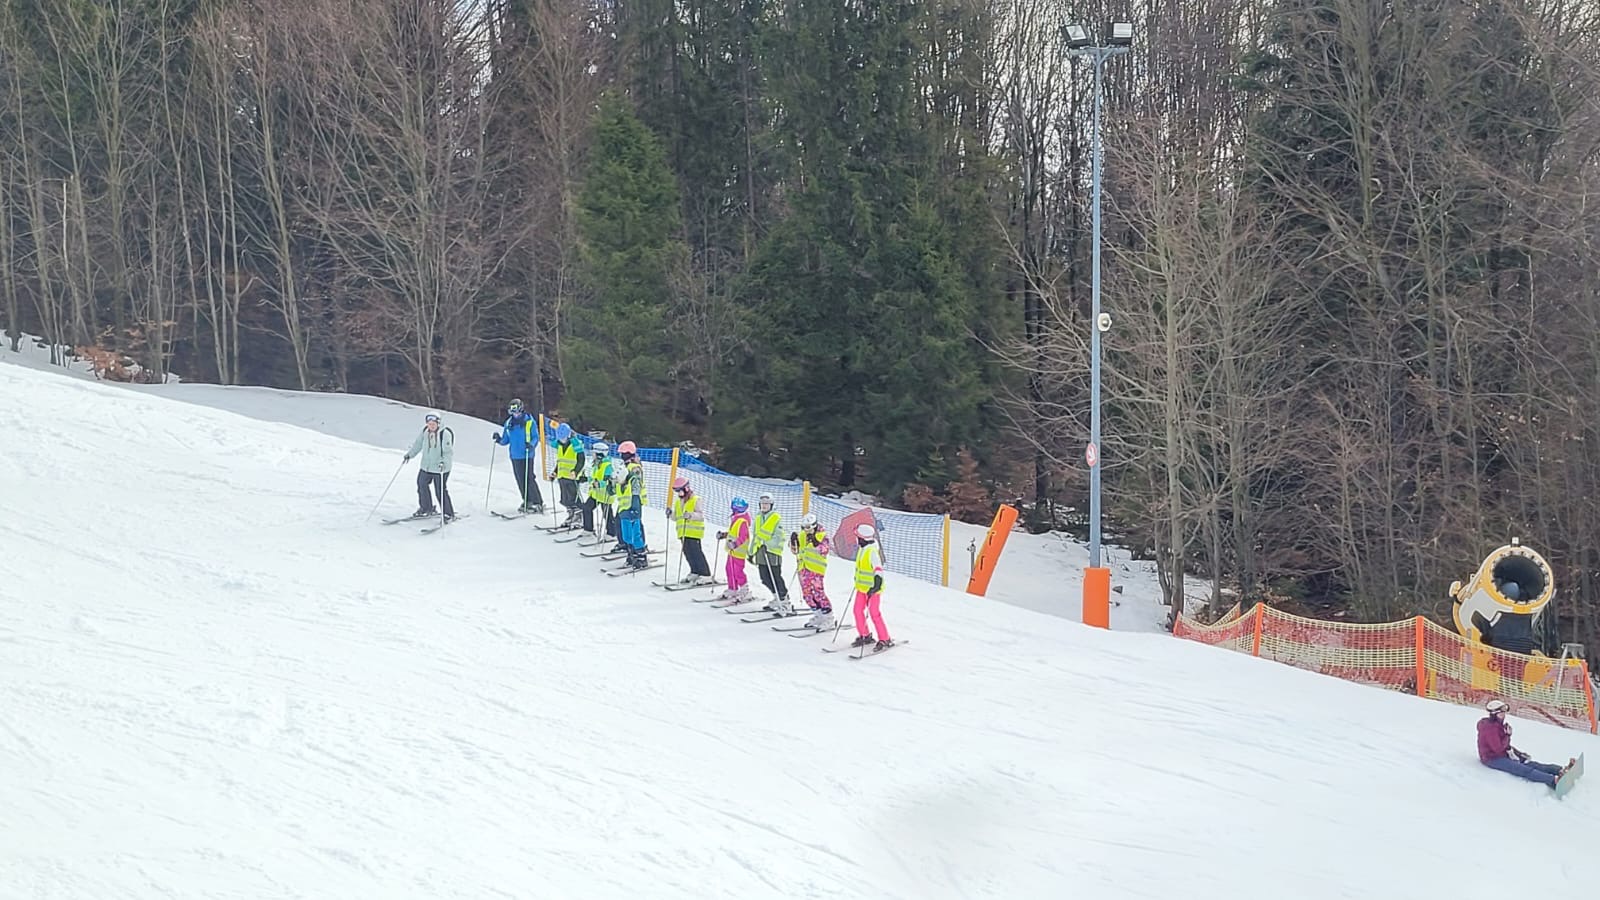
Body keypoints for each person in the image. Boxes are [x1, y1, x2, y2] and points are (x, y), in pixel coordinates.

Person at [1478, 699, 1575, 788]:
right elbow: (1497, 749)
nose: (1504, 715)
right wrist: (1508, 735)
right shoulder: (1490, 729)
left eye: (1504, 712)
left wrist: (1515, 752)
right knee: (1523, 769)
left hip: (1502, 754)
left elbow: (1502, 745)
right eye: (1501, 713)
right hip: (1492, 758)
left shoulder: (1498, 725)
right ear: (1494, 714)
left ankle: (1560, 770)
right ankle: (1553, 781)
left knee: (1532, 764)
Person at [492, 399, 544, 513]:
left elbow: (536, 437)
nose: (515, 414)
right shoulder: (509, 423)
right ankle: (527, 500)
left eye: (517, 411)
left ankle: (537, 502)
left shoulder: (529, 421)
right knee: (520, 479)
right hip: (515, 455)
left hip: (527, 454)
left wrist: (531, 445)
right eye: (513, 411)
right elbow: (506, 439)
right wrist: (499, 439)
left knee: (529, 478)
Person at [403, 413, 455, 521]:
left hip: (440, 468)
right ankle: (426, 508)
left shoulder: (445, 434)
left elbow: (448, 452)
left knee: (440, 490)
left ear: (438, 423)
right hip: (426, 466)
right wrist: (409, 455)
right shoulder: (425, 432)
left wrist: (443, 463)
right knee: (421, 485)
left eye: (433, 424)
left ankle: (448, 513)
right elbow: (417, 445)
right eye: (429, 424)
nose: (431, 426)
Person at [850, 523, 892, 650]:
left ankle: (885, 638)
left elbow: (878, 570)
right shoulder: (862, 549)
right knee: (857, 610)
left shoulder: (872, 551)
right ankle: (865, 635)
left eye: (858, 537)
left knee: (874, 613)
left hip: (873, 590)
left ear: (863, 538)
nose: (856, 539)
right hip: (862, 588)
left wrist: (876, 585)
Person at [791, 514, 833, 629]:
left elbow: (824, 550)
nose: (807, 530)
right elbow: (796, 551)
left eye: (809, 527)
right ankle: (818, 615)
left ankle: (828, 617)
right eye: (804, 527)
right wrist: (793, 542)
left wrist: (815, 543)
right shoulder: (802, 535)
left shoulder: (822, 535)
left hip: (816, 569)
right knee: (807, 594)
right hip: (803, 568)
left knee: (818, 593)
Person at [751, 492, 791, 613]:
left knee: (775, 576)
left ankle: (784, 600)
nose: (764, 506)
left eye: (767, 504)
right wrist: (751, 552)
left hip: (772, 552)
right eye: (762, 504)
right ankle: (776, 597)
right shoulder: (758, 517)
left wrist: (767, 545)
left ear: (771, 505)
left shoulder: (775, 518)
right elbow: (756, 536)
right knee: (764, 578)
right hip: (760, 551)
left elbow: (780, 536)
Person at [671, 476, 714, 585]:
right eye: (677, 491)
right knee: (688, 553)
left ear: (686, 488)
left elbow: (701, 515)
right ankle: (695, 571)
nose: (679, 493)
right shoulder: (678, 502)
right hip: (683, 532)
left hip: (694, 532)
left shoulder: (696, 499)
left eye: (680, 491)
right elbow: (676, 517)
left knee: (696, 553)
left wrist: (690, 515)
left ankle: (705, 574)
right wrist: (670, 514)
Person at [614, 441, 649, 569]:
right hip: (624, 505)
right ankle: (631, 554)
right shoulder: (624, 467)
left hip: (633, 504)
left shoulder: (634, 468)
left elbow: (635, 488)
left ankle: (641, 556)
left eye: (623, 454)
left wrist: (635, 506)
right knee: (627, 533)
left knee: (635, 532)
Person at [715, 498, 754, 603]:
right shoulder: (736, 519)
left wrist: (735, 544)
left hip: (738, 552)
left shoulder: (742, 521)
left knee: (738, 571)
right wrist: (724, 535)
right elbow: (733, 533)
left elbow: (743, 536)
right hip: (732, 551)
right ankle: (732, 588)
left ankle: (745, 590)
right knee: (729, 569)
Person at [552, 422, 586, 527]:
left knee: (573, 498)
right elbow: (560, 461)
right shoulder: (559, 445)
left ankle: (579, 517)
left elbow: (581, 460)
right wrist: (555, 472)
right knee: (564, 499)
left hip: (572, 476)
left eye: (563, 438)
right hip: (562, 475)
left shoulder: (576, 444)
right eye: (560, 438)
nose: (562, 440)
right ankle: (571, 515)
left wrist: (576, 471)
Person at [582, 441, 613, 537]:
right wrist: (586, 479)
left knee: (607, 514)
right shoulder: (596, 464)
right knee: (587, 508)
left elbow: (608, 480)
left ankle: (612, 533)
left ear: (599, 454)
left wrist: (599, 484)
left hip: (605, 494)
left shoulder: (607, 466)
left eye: (594, 453)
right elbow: (595, 477)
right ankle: (588, 529)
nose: (592, 455)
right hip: (596, 494)